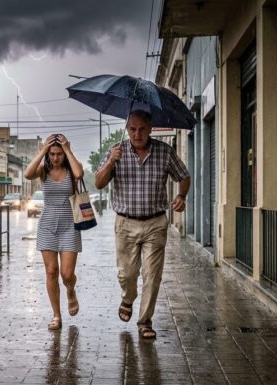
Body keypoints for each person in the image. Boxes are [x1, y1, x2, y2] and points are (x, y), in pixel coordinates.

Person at [95, 106, 190, 339]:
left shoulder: (164, 152)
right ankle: (128, 298)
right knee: (127, 274)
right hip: (125, 224)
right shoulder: (116, 151)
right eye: (132, 129)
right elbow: (99, 183)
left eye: (142, 129)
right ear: (127, 129)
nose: (137, 134)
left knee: (152, 275)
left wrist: (181, 196)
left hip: (155, 223)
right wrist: (110, 162)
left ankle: (145, 321)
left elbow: (184, 176)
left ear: (150, 129)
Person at [24, 133, 85, 330]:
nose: (56, 157)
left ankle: (70, 290)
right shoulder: (43, 170)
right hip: (47, 226)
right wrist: (42, 150)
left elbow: (79, 174)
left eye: (59, 153)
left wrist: (68, 149)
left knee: (67, 274)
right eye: (52, 154)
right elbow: (27, 174)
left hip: (69, 226)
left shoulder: (71, 168)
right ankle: (57, 315)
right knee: (51, 271)